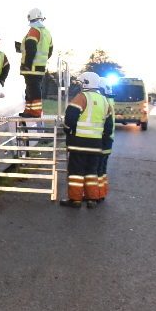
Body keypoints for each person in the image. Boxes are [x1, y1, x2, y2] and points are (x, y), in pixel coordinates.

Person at [59, 71, 113, 209]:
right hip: (96, 145)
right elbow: (108, 126)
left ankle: (75, 200)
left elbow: (70, 117)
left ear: (85, 83)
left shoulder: (81, 97)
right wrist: (102, 140)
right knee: (92, 172)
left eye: (81, 82)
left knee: (76, 172)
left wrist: (66, 130)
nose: (80, 85)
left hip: (79, 144)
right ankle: (92, 199)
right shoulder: (104, 101)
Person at [19, 8, 53, 117]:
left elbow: (30, 48)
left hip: (31, 68)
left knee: (33, 89)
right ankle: (29, 111)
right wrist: (42, 61)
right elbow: (50, 51)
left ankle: (35, 112)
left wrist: (28, 64)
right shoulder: (47, 33)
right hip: (40, 67)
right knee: (31, 88)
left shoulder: (34, 30)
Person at [97, 77, 116, 203]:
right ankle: (101, 194)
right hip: (108, 141)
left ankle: (96, 195)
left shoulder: (104, 103)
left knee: (96, 169)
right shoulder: (110, 101)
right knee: (102, 170)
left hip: (102, 140)